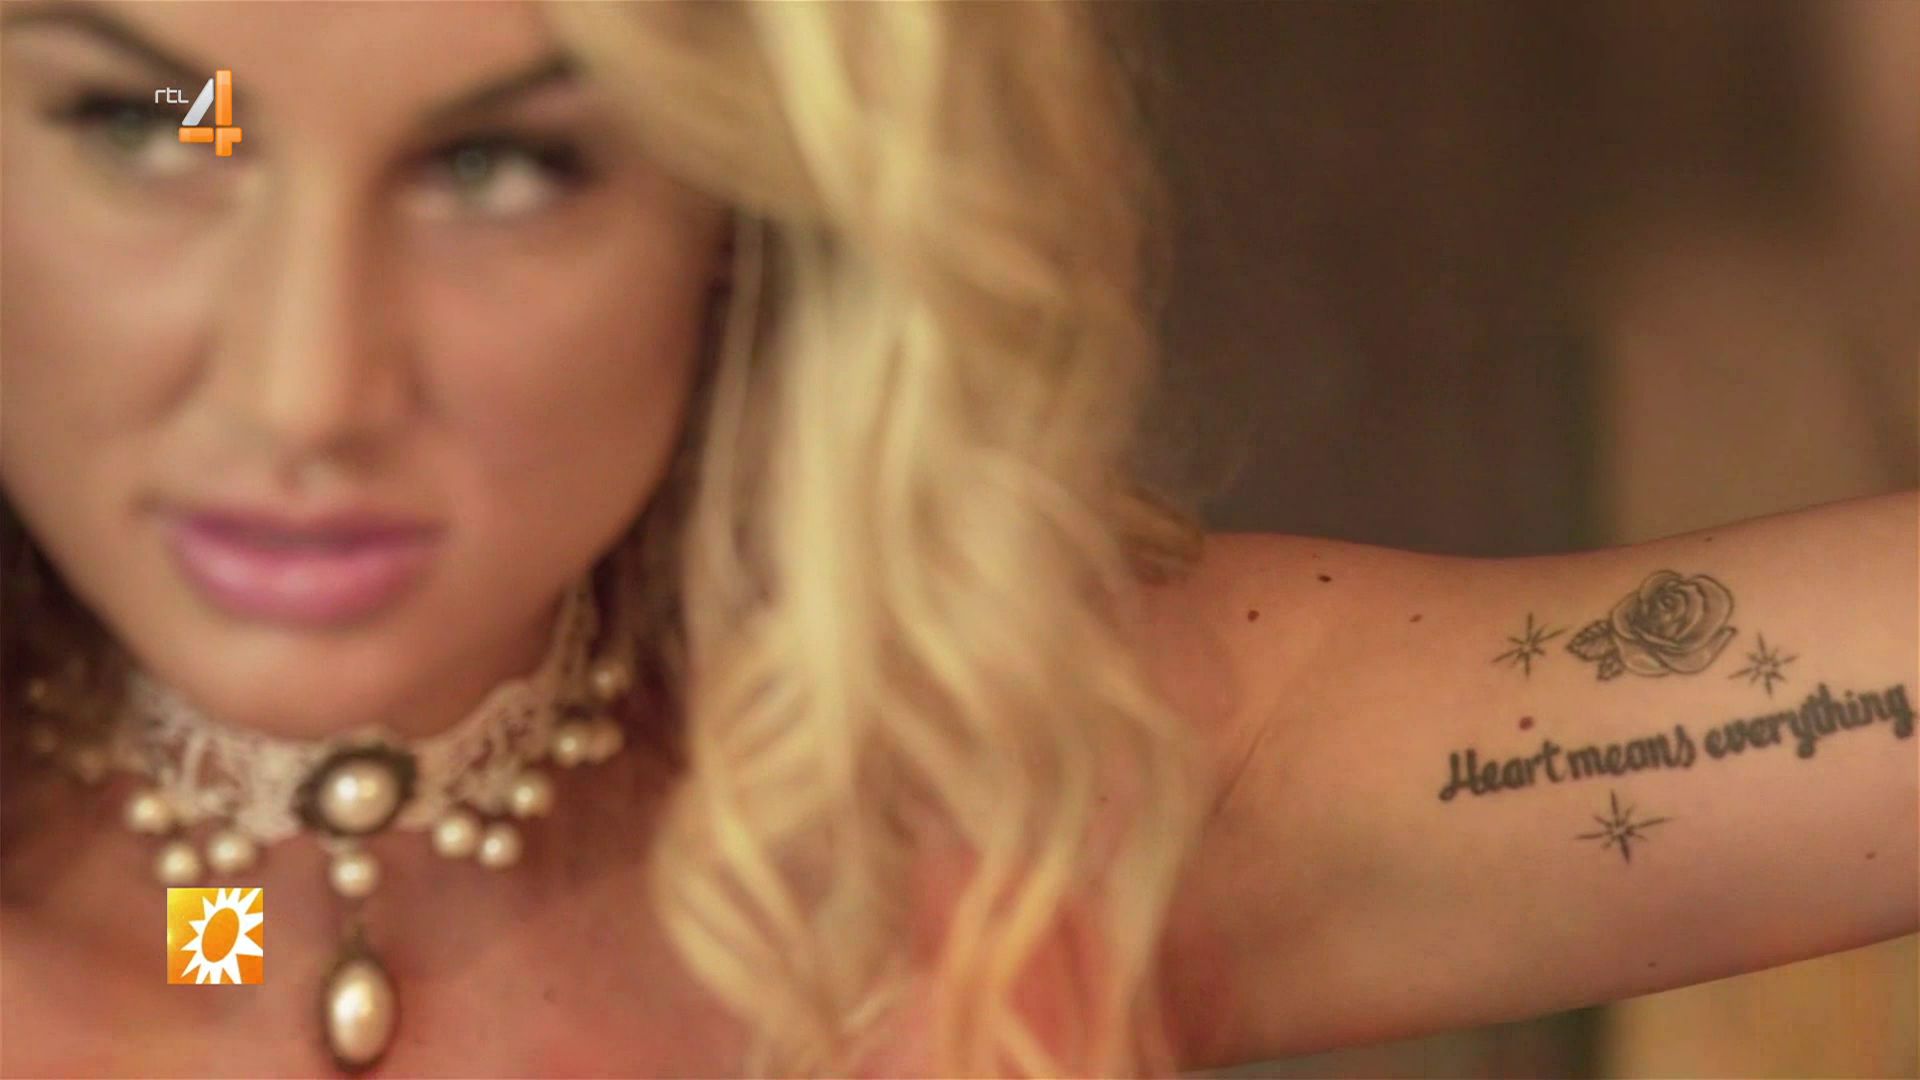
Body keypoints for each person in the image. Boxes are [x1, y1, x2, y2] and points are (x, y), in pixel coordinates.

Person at [0, 3, 1912, 1077]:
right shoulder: (182, 911)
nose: (306, 389)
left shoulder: (1035, 795)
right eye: (155, 134)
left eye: (504, 165)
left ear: (755, 209)